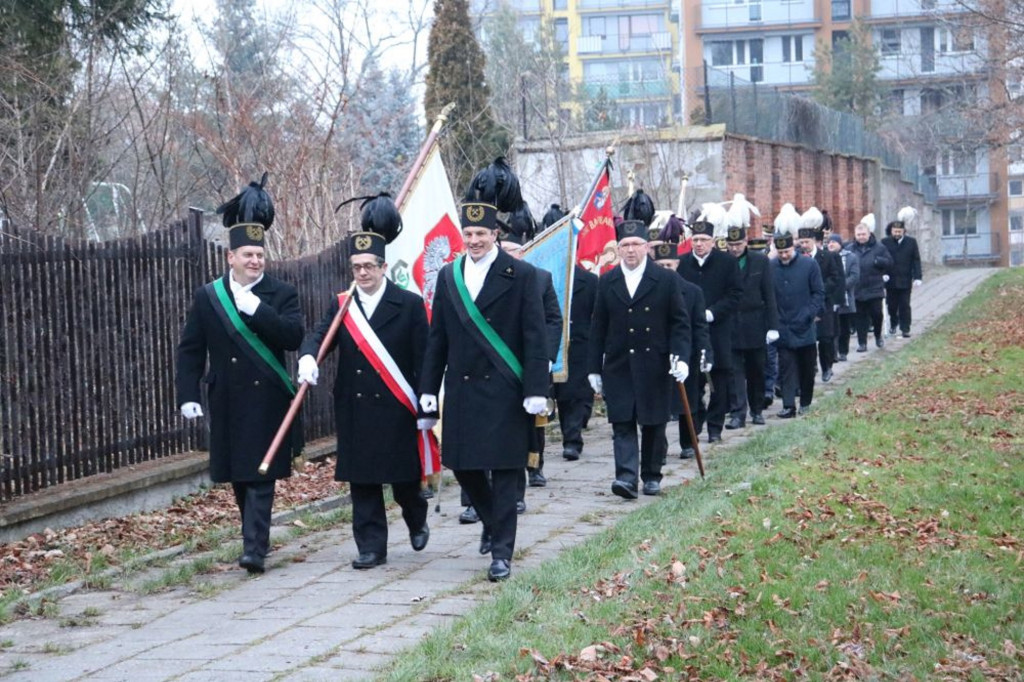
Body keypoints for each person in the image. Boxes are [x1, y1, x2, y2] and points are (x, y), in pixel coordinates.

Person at [419, 158, 549, 583]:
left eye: (481, 234)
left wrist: (536, 387)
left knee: (508, 472)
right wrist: (426, 389)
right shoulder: (448, 277)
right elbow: (437, 339)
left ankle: (502, 554)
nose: (474, 240)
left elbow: (535, 335)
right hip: (463, 390)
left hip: (508, 391)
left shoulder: (523, 276)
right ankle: (494, 526)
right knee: (465, 467)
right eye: (468, 234)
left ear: (496, 234)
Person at [176, 174, 304, 575]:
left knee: (261, 473)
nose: (254, 261)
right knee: (237, 476)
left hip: (267, 398)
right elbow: (191, 348)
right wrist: (188, 395)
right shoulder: (209, 296)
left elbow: (293, 336)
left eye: (258, 256)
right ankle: (253, 536)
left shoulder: (281, 293)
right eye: (246, 255)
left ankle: (254, 548)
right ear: (230, 257)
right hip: (227, 397)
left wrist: (256, 310)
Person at [296, 195, 431, 570]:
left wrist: (426, 401)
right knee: (363, 483)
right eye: (356, 267)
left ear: (383, 266)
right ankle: (371, 547)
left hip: (397, 406)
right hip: (355, 407)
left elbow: (424, 357)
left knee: (403, 479)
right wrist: (308, 356)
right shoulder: (342, 304)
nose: (363, 274)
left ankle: (416, 516)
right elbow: (319, 335)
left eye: (369, 266)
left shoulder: (408, 303)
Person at [589, 220, 691, 498]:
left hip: (654, 363)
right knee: (621, 421)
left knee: (653, 421)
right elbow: (598, 325)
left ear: (646, 247)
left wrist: (681, 358)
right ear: (618, 249)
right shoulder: (608, 280)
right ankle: (626, 477)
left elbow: (680, 323)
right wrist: (593, 367)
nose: (630, 250)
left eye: (635, 244)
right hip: (619, 363)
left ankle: (651, 475)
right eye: (625, 245)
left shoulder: (666, 279)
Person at [676, 206, 742, 443]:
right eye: (696, 240)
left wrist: (712, 313)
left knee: (720, 381)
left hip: (719, 330)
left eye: (704, 240)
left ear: (713, 242)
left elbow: (735, 295)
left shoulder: (727, 263)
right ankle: (695, 421)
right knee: (694, 381)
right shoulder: (681, 264)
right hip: (691, 332)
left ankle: (715, 427)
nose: (699, 244)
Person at [652, 241, 709, 460]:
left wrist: (704, 351)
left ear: (677, 264)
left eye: (669, 265)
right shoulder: (649, 291)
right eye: (661, 265)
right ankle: (659, 448)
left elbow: (699, 326)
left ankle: (687, 441)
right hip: (657, 351)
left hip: (686, 352)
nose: (666, 269)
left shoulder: (692, 291)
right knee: (659, 405)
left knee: (689, 401)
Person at [725, 224, 778, 428]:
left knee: (756, 369)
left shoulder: (760, 261)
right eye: (731, 244)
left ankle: (756, 410)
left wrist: (773, 326)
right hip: (731, 323)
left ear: (746, 242)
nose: (735, 248)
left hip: (755, 322)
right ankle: (738, 413)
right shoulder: (724, 262)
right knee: (734, 371)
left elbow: (769, 294)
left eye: (738, 244)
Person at [770, 229, 824, 418]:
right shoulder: (771, 267)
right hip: (783, 325)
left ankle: (806, 402)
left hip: (805, 324)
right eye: (781, 252)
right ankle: (788, 405)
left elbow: (818, 293)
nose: (784, 255)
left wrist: (809, 313)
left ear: (794, 248)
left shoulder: (809, 265)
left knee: (807, 368)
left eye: (787, 251)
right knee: (786, 367)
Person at [553, 262, 598, 461]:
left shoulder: (589, 281)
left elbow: (597, 316)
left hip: (579, 346)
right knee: (558, 394)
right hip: (553, 344)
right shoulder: (549, 275)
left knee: (574, 395)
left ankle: (572, 441)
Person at [797, 208, 844, 384]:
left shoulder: (829, 257)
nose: (804, 245)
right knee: (808, 340)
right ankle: (810, 369)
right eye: (801, 242)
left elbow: (836, 278)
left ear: (815, 241)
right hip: (804, 304)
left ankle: (827, 367)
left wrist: (820, 290)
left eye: (806, 242)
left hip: (824, 304)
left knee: (825, 338)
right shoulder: (798, 257)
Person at [849, 214, 893, 352]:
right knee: (860, 317)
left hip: (874, 287)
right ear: (855, 235)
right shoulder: (850, 249)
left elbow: (890, 262)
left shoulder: (879, 247)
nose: (861, 236)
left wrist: (878, 261)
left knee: (876, 314)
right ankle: (862, 343)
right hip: (858, 288)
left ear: (869, 234)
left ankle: (878, 335)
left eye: (863, 234)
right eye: (859, 234)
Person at [881, 208, 923, 338]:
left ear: (904, 231)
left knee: (905, 305)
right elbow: (881, 259)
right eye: (895, 231)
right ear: (891, 231)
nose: (897, 233)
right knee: (891, 305)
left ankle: (905, 328)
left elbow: (916, 260)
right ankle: (893, 323)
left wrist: (917, 277)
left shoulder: (911, 242)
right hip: (890, 280)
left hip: (905, 279)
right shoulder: (885, 242)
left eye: (899, 231)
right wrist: (882, 273)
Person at [828, 233, 859, 362]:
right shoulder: (825, 257)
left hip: (845, 298)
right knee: (831, 329)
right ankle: (832, 353)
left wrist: (840, 286)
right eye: (829, 242)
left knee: (844, 327)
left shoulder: (851, 257)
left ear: (839, 243)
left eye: (833, 242)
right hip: (830, 297)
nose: (831, 244)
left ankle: (843, 351)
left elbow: (854, 276)